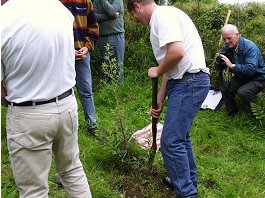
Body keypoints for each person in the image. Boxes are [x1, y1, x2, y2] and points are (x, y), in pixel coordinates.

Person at [1, 0, 92, 197]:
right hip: (66, 104)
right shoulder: (59, 9)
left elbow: (2, 92)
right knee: (72, 170)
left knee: (34, 190)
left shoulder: (4, 18)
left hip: (28, 114)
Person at [127, 1, 210, 197]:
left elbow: (177, 53)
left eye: (133, 15)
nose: (136, 20)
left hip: (190, 82)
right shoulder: (164, 17)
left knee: (171, 141)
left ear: (137, 6)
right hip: (184, 82)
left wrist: (157, 69)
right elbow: (169, 65)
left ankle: (186, 193)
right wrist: (160, 98)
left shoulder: (162, 16)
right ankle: (187, 182)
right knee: (180, 138)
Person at [60, 0, 99, 135]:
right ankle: (67, 128)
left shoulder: (85, 2)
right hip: (61, 55)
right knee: (63, 92)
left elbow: (93, 27)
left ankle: (92, 125)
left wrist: (87, 47)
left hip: (82, 54)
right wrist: (67, 51)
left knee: (86, 90)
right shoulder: (56, 3)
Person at [215, 24, 265, 116]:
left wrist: (231, 65)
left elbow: (251, 70)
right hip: (242, 76)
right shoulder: (227, 47)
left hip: (258, 78)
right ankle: (232, 113)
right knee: (226, 88)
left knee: (243, 92)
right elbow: (218, 68)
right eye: (224, 39)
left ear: (237, 35)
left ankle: (253, 115)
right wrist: (218, 62)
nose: (226, 41)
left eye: (229, 38)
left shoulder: (250, 47)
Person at [94, 0, 125, 84]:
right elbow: (94, 17)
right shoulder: (97, 1)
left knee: (118, 66)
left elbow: (111, 11)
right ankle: (107, 91)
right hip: (102, 37)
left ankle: (119, 92)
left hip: (117, 36)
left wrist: (109, 14)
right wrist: (109, 17)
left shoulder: (117, 0)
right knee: (105, 66)